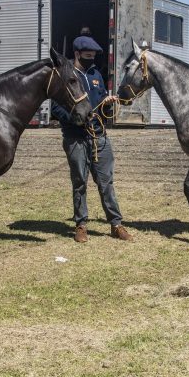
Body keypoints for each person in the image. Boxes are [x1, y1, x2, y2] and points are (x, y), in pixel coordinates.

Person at [51, 35, 133, 243]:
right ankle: (81, 225)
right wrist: (75, 119)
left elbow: (100, 102)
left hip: (99, 137)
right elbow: (56, 108)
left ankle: (116, 224)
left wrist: (108, 102)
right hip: (75, 138)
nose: (91, 60)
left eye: (94, 56)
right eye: (87, 56)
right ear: (77, 54)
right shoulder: (66, 75)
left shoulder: (96, 74)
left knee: (106, 182)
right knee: (80, 182)